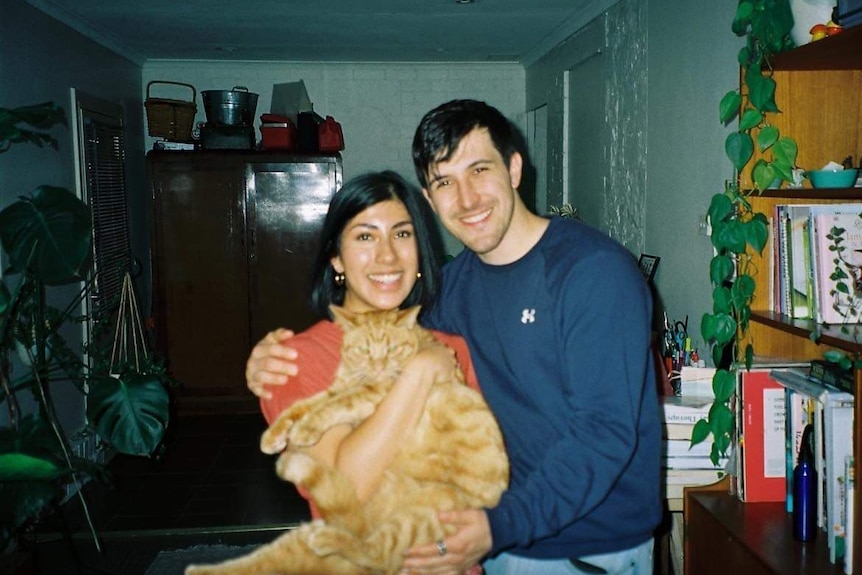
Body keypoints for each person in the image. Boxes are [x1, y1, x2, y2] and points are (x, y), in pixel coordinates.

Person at [248, 100, 661, 575]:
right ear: (429, 197)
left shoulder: (592, 273)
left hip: (580, 548)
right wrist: (269, 359)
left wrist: (498, 525)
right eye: (445, 181)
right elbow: (383, 360)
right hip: (483, 538)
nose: (466, 200)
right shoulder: (450, 288)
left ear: (514, 168)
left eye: (479, 170)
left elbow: (603, 433)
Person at [251, 170, 482, 517]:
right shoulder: (291, 360)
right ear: (336, 259)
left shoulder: (453, 348)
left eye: (402, 234)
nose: (387, 256)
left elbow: (481, 478)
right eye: (365, 237)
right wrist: (418, 375)